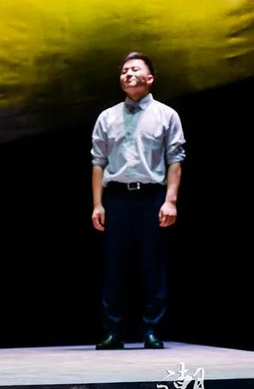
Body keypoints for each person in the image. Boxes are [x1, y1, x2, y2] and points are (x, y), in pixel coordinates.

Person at [91, 52, 186, 350]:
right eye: (124, 71)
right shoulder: (107, 117)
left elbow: (175, 159)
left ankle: (152, 330)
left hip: (151, 196)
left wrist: (170, 201)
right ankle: (113, 331)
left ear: (150, 78)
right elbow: (98, 162)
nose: (128, 74)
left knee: (152, 265)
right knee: (114, 266)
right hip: (117, 197)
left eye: (135, 69)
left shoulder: (166, 115)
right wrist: (98, 204)